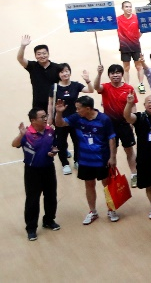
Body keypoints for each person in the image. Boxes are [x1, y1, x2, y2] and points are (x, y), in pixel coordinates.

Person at [54, 96, 118, 224]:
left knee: (107, 185)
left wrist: (112, 157)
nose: (77, 111)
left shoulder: (104, 119)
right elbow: (59, 123)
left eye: (79, 108)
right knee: (89, 185)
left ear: (88, 109)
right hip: (85, 160)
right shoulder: (77, 118)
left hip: (102, 160)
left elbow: (111, 138)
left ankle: (111, 209)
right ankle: (93, 212)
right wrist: (59, 112)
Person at [14, 108, 59, 241]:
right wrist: (21, 135)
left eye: (46, 116)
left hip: (48, 168)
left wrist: (53, 151)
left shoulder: (50, 130)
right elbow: (14, 144)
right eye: (42, 117)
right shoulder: (27, 133)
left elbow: (54, 145)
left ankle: (49, 220)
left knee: (51, 196)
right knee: (33, 199)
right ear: (33, 120)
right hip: (32, 171)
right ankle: (31, 228)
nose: (45, 119)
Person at [93, 64, 139, 188]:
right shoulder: (105, 87)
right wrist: (99, 73)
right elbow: (96, 87)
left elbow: (133, 105)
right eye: (112, 73)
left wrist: (132, 121)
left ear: (122, 74)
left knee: (129, 150)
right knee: (111, 153)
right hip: (109, 126)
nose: (115, 75)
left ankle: (134, 175)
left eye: (118, 72)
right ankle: (112, 176)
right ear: (109, 75)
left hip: (124, 124)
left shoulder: (129, 88)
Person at [123, 93, 151, 220]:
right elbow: (127, 116)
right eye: (149, 102)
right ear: (144, 105)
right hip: (144, 156)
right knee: (149, 183)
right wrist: (129, 104)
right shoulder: (139, 117)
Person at [53, 64, 94, 175]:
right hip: (60, 119)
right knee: (61, 142)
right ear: (58, 74)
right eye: (62, 72)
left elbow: (90, 90)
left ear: (70, 72)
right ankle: (65, 164)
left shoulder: (76, 85)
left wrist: (88, 80)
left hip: (76, 118)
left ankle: (77, 161)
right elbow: (50, 104)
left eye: (67, 71)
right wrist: (50, 118)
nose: (65, 73)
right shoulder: (55, 87)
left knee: (77, 140)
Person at [18, 35, 61, 113]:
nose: (42, 56)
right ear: (35, 56)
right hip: (38, 104)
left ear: (48, 54)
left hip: (55, 103)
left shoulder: (57, 67)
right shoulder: (32, 66)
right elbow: (20, 59)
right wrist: (23, 46)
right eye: (39, 54)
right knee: (38, 120)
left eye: (44, 53)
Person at [117, 2, 143, 86]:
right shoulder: (118, 19)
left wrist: (136, 38)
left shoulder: (137, 18)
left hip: (136, 46)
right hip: (124, 47)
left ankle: (141, 84)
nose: (129, 8)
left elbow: (143, 29)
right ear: (122, 8)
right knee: (126, 68)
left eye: (130, 7)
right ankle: (127, 85)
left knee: (139, 66)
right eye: (126, 7)